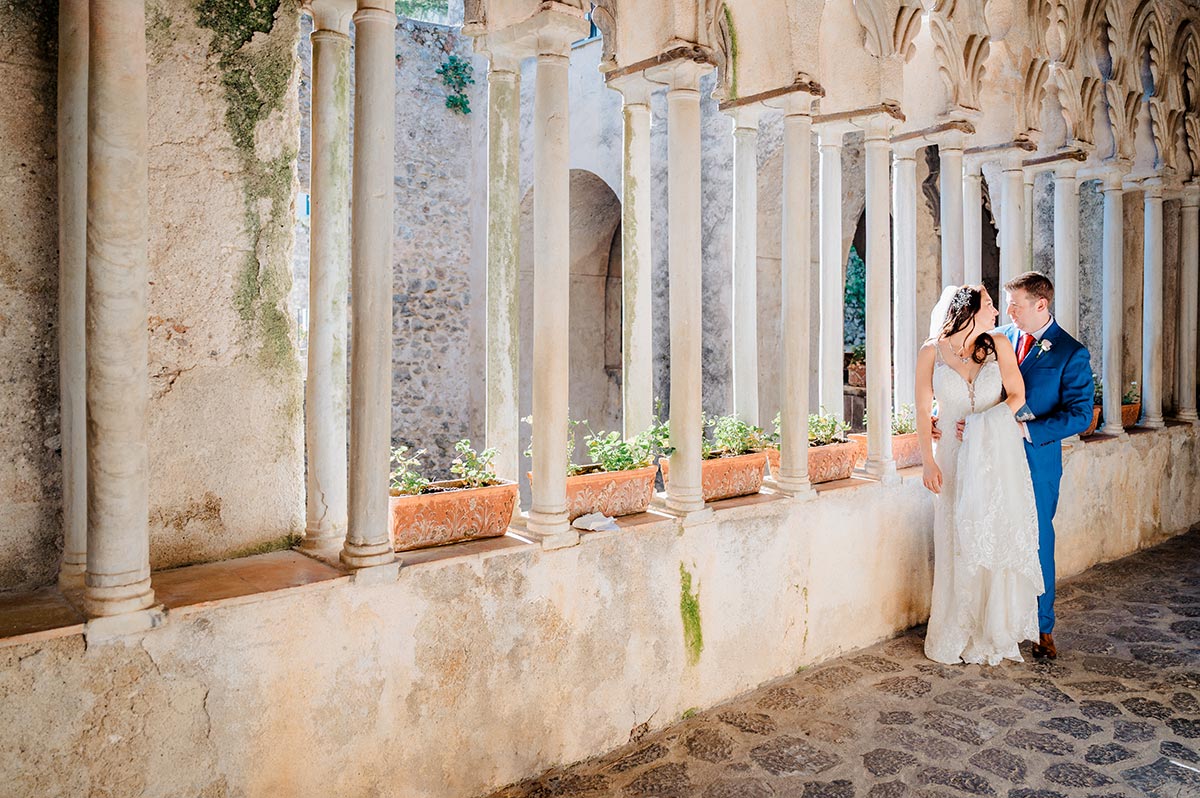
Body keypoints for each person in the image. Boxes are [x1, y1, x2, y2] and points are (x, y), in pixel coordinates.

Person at [916, 284, 1045, 665]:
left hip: (992, 456)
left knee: (992, 532)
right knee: (956, 536)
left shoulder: (999, 344)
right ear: (968, 310)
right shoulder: (930, 352)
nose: (996, 311)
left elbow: (1017, 397)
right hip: (953, 460)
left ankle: (992, 629)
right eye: (989, 304)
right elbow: (924, 411)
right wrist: (928, 461)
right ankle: (955, 629)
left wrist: (981, 424)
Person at [974, 272, 1095, 659]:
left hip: (1037, 459)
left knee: (1039, 538)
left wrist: (1030, 430)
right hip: (994, 457)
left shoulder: (1070, 353)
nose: (1008, 311)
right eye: (1008, 304)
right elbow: (975, 382)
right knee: (995, 530)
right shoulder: (999, 339)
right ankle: (1000, 619)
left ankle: (1043, 628)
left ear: (1040, 305)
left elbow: (1080, 415)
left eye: (1016, 304)